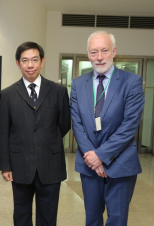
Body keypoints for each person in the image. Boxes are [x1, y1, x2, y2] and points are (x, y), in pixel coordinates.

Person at [70, 31, 144, 226]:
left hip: (120, 162)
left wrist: (101, 155)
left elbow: (130, 125)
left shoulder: (132, 82)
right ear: (88, 54)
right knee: (92, 218)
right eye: (94, 52)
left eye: (104, 51)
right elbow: (76, 123)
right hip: (89, 163)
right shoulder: (78, 84)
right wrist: (92, 157)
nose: (99, 57)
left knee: (117, 219)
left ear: (114, 51)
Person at [0, 41, 71, 226]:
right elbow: (4, 131)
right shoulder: (7, 94)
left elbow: (64, 124)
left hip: (51, 164)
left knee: (48, 216)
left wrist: (45, 140)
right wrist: (5, 165)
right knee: (21, 215)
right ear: (18, 63)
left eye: (34, 60)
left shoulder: (59, 91)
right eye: (25, 60)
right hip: (19, 165)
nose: (30, 65)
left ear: (42, 61)